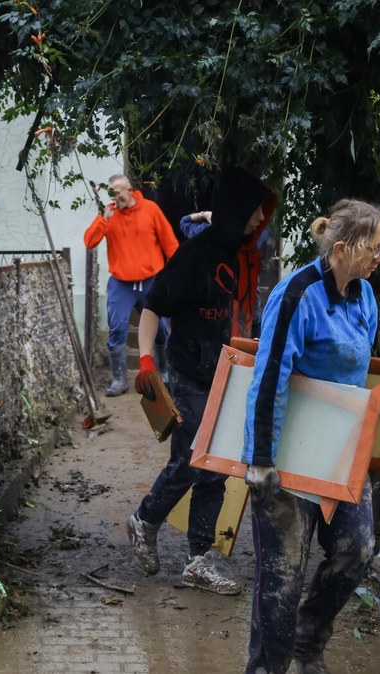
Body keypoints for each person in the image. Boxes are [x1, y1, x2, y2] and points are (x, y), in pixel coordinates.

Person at [240, 199, 380, 674]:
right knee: (282, 577)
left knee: (357, 551)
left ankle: (310, 640)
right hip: (286, 453)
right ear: (343, 248)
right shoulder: (297, 294)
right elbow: (269, 377)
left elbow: (356, 376)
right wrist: (260, 457)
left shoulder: (364, 295)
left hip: (339, 447)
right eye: (376, 249)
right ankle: (267, 668)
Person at [124, 168, 278, 595]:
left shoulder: (248, 257)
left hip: (230, 375)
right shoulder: (194, 257)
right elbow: (153, 307)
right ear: (232, 212)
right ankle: (145, 519)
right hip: (188, 372)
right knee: (194, 457)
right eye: (251, 215)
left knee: (216, 470)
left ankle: (198, 559)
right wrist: (147, 362)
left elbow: (247, 316)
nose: (256, 222)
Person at [83, 174, 180, 396]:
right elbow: (89, 241)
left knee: (162, 331)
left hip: (151, 281)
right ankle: (119, 380)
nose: (115, 197)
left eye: (117, 192)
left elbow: (170, 243)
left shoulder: (151, 209)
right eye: (111, 193)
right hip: (121, 283)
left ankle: (164, 373)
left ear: (130, 189)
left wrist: (173, 275)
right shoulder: (108, 213)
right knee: (116, 328)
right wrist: (103, 219)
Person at [179, 209, 271, 338]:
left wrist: (204, 214)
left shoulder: (204, 232)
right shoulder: (251, 236)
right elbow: (265, 228)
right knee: (251, 347)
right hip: (248, 306)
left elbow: (184, 222)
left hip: (215, 307)